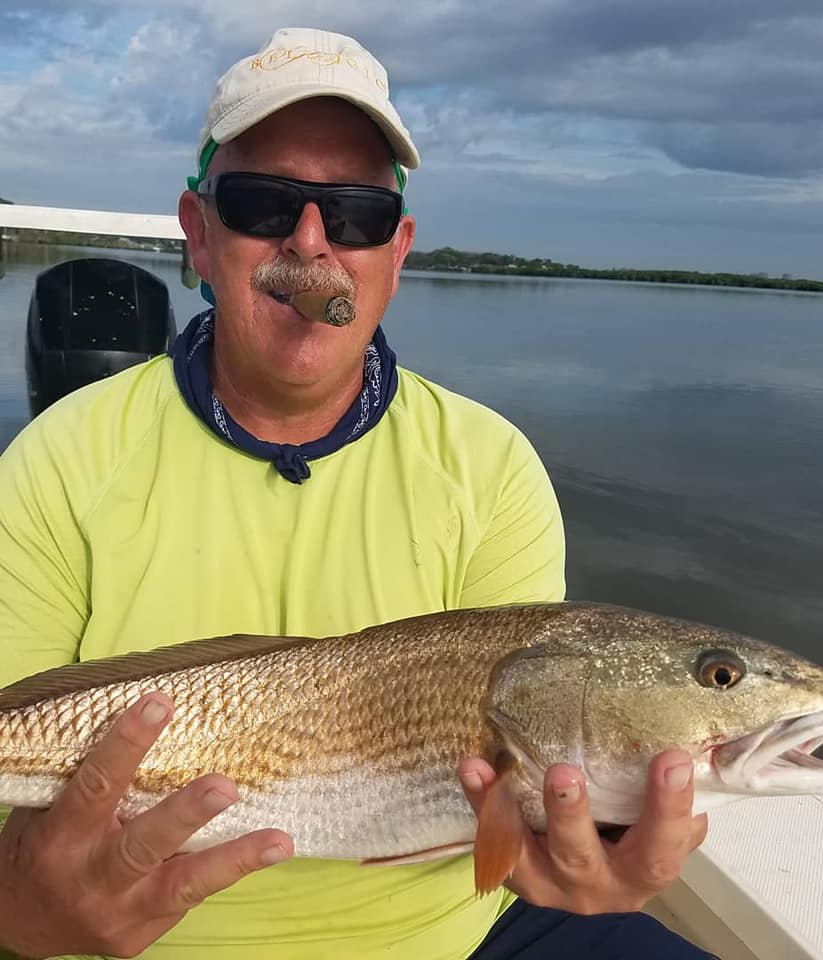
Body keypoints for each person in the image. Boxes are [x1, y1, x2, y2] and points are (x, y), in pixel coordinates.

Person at [0, 28, 713, 960]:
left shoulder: (490, 466)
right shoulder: (62, 457)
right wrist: (24, 919)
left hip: (458, 937)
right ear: (198, 234)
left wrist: (586, 849)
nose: (311, 243)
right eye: (262, 204)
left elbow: (519, 782)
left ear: (398, 250)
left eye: (357, 215)